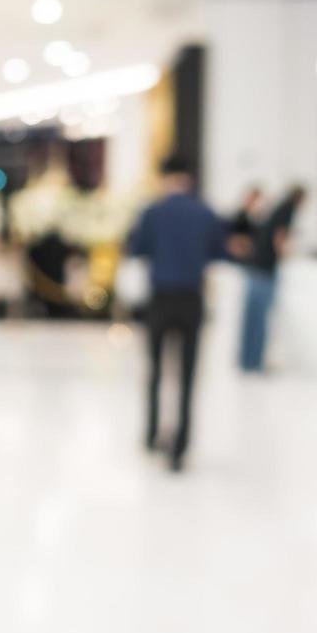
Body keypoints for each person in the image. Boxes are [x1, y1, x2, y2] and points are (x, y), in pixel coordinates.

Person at [125, 156, 232, 472]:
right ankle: (180, 445)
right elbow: (219, 252)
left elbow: (136, 249)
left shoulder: (153, 212)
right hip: (191, 298)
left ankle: (152, 433)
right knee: (186, 375)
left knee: (156, 370)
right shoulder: (205, 212)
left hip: (160, 298)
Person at [239, 184, 306, 374]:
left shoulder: (277, 208)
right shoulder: (288, 210)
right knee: (260, 321)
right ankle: (256, 363)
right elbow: (280, 237)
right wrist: (285, 254)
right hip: (266, 270)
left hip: (255, 268)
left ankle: (247, 361)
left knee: (251, 320)